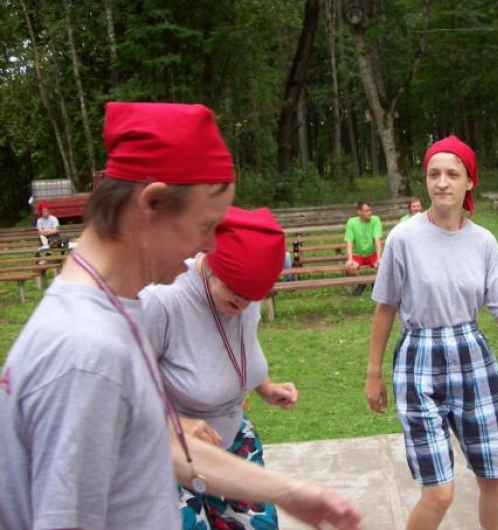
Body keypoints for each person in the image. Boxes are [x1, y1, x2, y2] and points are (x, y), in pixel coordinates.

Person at [0, 102, 362, 530]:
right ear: (152, 203)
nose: (210, 248)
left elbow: (159, 443)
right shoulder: (86, 353)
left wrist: (286, 492)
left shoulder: (112, 313)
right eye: (206, 225)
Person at [365, 136, 498, 530]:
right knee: (439, 492)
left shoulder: (482, 241)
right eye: (434, 174)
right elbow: (385, 308)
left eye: (452, 174)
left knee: (494, 475)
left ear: (470, 181)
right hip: (418, 360)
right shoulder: (404, 238)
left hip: (471, 356)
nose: (442, 183)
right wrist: (373, 373)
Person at [143, 206, 298, 529]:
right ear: (211, 263)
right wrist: (175, 424)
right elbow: (123, 386)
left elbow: (240, 345)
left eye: (253, 297)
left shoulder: (246, 297)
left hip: (233, 439)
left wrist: (265, 386)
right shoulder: (164, 300)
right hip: (170, 456)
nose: (243, 305)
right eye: (235, 294)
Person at [344, 199, 383, 295]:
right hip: (359, 254)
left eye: (370, 210)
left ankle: (375, 282)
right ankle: (361, 282)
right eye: (366, 211)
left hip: (372, 254)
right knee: (348, 267)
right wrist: (350, 259)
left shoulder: (375, 220)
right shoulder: (351, 222)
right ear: (359, 212)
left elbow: (377, 240)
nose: (369, 213)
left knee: (382, 266)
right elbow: (349, 242)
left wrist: (379, 259)